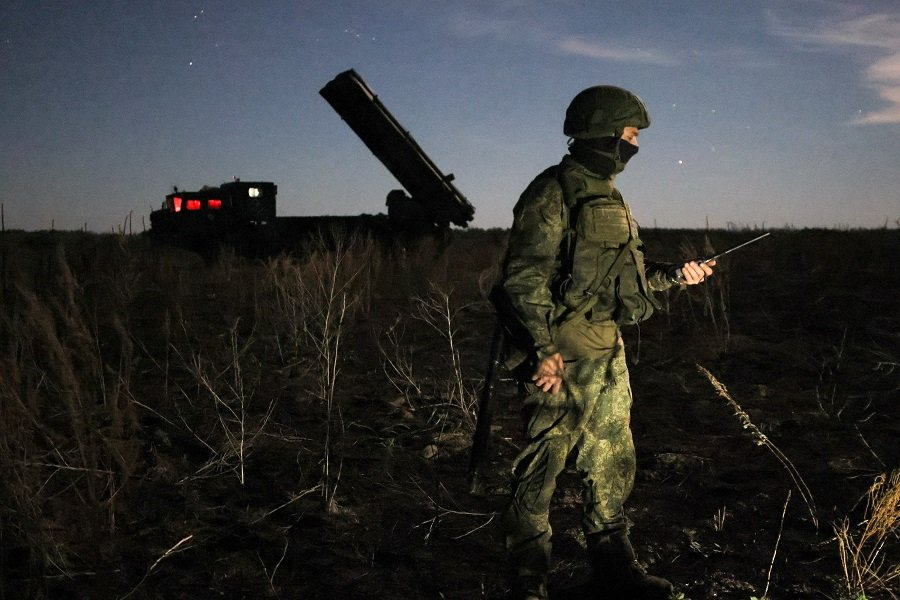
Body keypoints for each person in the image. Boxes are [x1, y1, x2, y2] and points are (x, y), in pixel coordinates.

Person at [496, 85, 714, 600]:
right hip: (563, 356)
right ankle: (529, 582)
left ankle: (615, 569)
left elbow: (626, 277)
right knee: (543, 467)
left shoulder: (611, 197)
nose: (635, 146)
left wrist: (676, 275)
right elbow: (522, 281)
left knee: (612, 460)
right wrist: (543, 351)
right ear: (604, 135)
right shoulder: (552, 192)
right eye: (630, 135)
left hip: (608, 349)